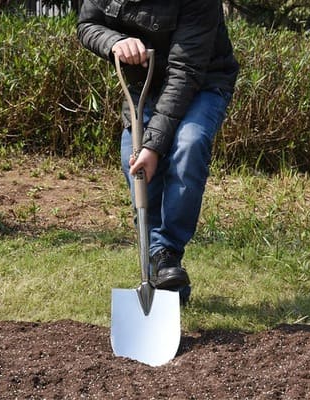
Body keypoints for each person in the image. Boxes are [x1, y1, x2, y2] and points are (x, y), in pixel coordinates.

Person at [77, 0, 239, 304]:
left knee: (189, 144)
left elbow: (185, 70)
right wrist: (116, 41)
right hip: (144, 88)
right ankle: (165, 273)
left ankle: (167, 253)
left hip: (201, 81)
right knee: (136, 169)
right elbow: (87, 25)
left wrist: (153, 145)